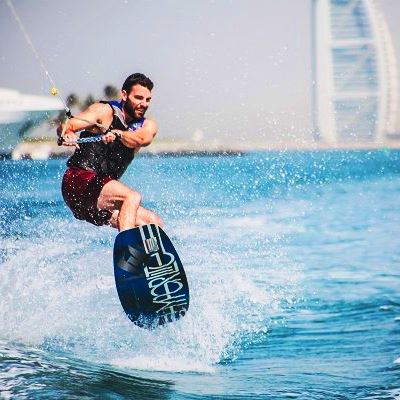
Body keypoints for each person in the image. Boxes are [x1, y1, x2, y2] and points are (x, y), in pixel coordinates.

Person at [58, 73, 163, 231]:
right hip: (77, 183)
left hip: (99, 201)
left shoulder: (147, 126)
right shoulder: (104, 112)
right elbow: (68, 125)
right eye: (139, 98)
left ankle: (141, 255)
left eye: (147, 100)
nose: (143, 104)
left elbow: (142, 139)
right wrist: (67, 132)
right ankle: (127, 245)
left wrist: (118, 134)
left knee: (153, 223)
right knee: (131, 197)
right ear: (124, 95)